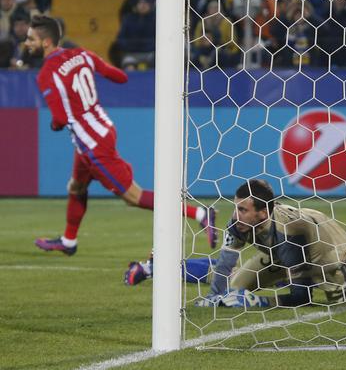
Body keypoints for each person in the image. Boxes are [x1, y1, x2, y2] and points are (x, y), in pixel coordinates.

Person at [28, 15, 217, 255]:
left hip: (91, 142)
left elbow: (61, 119)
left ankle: (199, 213)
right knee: (76, 186)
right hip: (103, 127)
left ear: (46, 42)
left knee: (133, 196)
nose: (27, 43)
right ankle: (68, 241)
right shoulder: (82, 54)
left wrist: (55, 125)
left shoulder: (46, 73)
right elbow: (120, 77)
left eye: (31, 39)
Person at [127, 179, 346, 307]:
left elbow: (302, 297)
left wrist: (262, 301)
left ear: (263, 212)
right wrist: (214, 297)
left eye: (243, 209)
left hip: (334, 257)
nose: (236, 214)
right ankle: (158, 267)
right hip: (281, 257)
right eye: (236, 207)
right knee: (234, 287)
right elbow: (226, 261)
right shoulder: (239, 221)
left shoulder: (292, 231)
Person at [125, 223, 346, 292]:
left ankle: (157, 266)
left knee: (238, 280)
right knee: (234, 279)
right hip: (308, 261)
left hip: (313, 273)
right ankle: (156, 267)